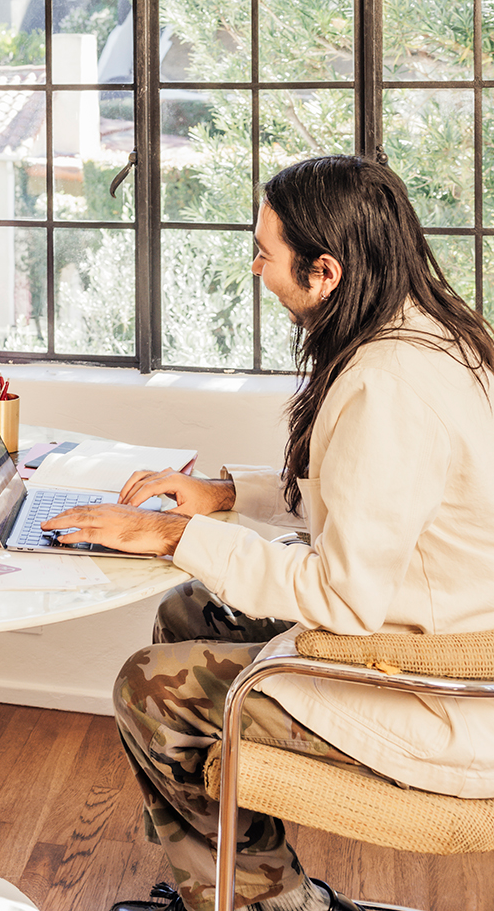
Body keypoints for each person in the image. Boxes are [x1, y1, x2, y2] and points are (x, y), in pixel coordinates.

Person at [43, 155, 494, 911]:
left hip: (430, 681)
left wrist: (168, 534)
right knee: (190, 613)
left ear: (326, 271)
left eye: (265, 252)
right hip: (416, 625)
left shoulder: (390, 385)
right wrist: (223, 494)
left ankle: (271, 904)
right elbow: (367, 500)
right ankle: (239, 875)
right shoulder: (431, 336)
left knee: (148, 690)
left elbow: (342, 596)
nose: (256, 268)